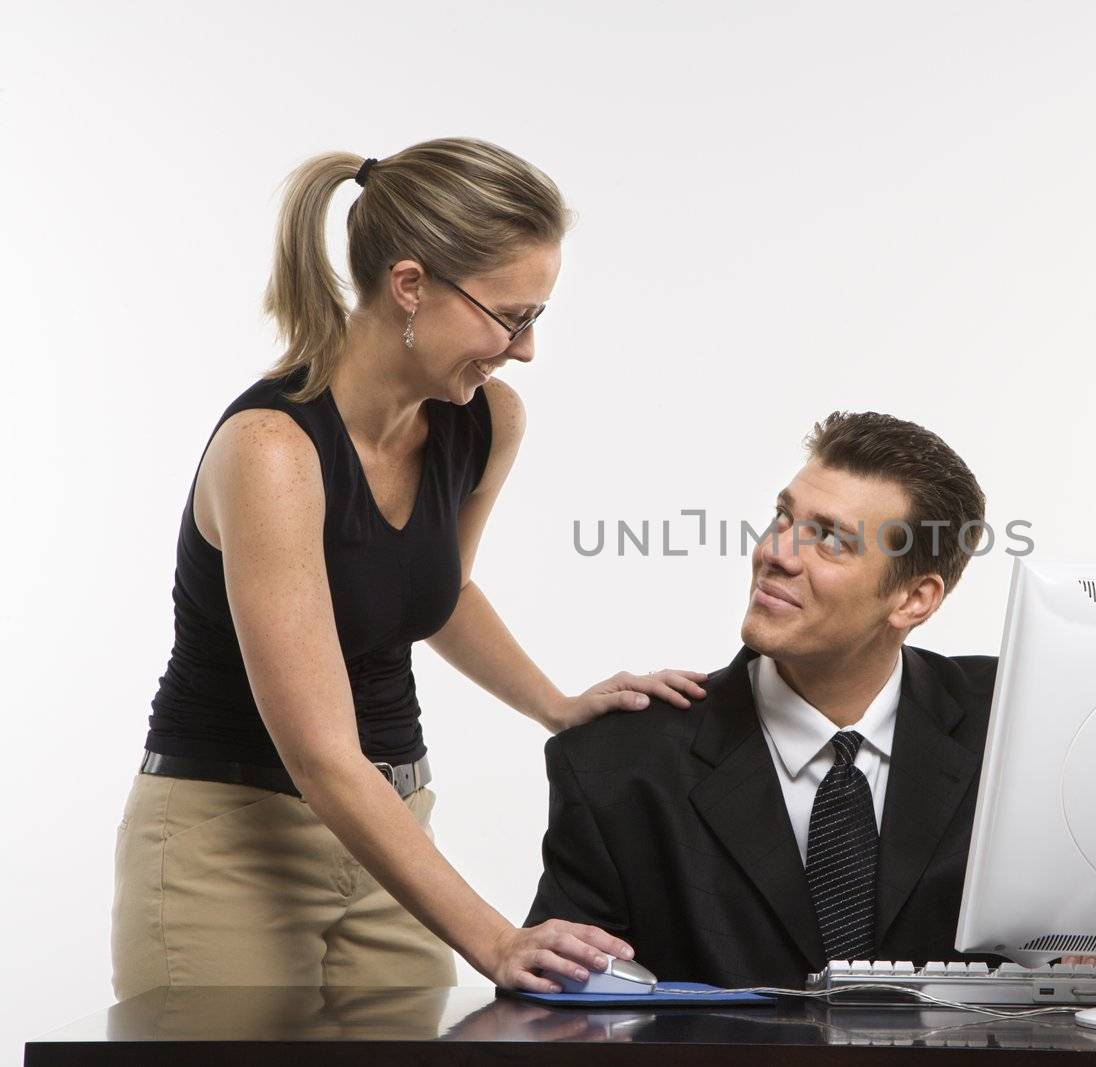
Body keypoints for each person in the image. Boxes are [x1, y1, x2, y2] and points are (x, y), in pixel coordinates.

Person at [112, 138, 706, 1000]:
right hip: (231, 842)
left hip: (393, 836)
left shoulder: (484, 420)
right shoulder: (274, 450)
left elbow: (441, 589)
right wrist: (498, 940)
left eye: (537, 315)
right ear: (411, 285)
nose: (526, 348)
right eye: (512, 315)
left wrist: (559, 707)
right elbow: (320, 753)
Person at [525, 411, 1002, 987]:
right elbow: (559, 1009)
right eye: (783, 516)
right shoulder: (618, 766)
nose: (777, 552)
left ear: (913, 599)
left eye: (830, 539)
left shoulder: (1012, 727)